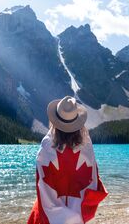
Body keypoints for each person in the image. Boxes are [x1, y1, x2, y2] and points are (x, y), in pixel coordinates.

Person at [28, 96, 108, 224]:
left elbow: (42, 184)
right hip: (77, 212)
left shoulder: (47, 145)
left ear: (55, 120)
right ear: (78, 123)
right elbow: (93, 179)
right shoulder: (86, 144)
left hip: (48, 212)